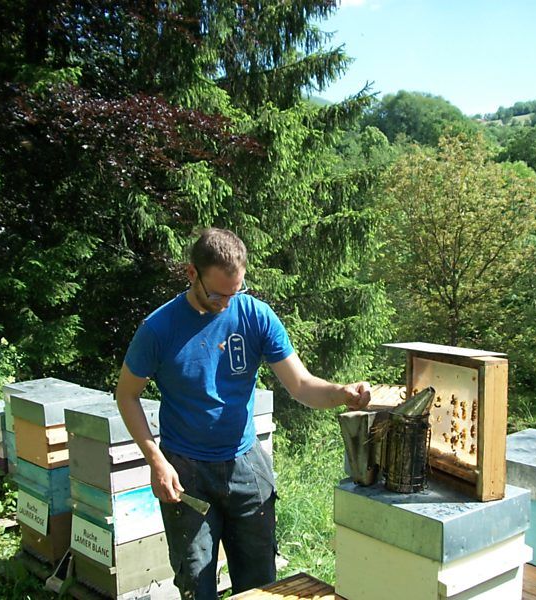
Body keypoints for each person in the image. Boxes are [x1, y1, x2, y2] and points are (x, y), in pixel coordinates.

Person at [116, 228, 371, 600]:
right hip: (186, 472)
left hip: (246, 467)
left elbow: (300, 385)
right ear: (191, 274)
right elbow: (126, 396)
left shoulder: (254, 315)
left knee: (261, 583)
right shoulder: (158, 329)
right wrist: (156, 461)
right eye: (217, 294)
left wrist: (342, 393)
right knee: (196, 583)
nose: (226, 303)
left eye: (236, 292)